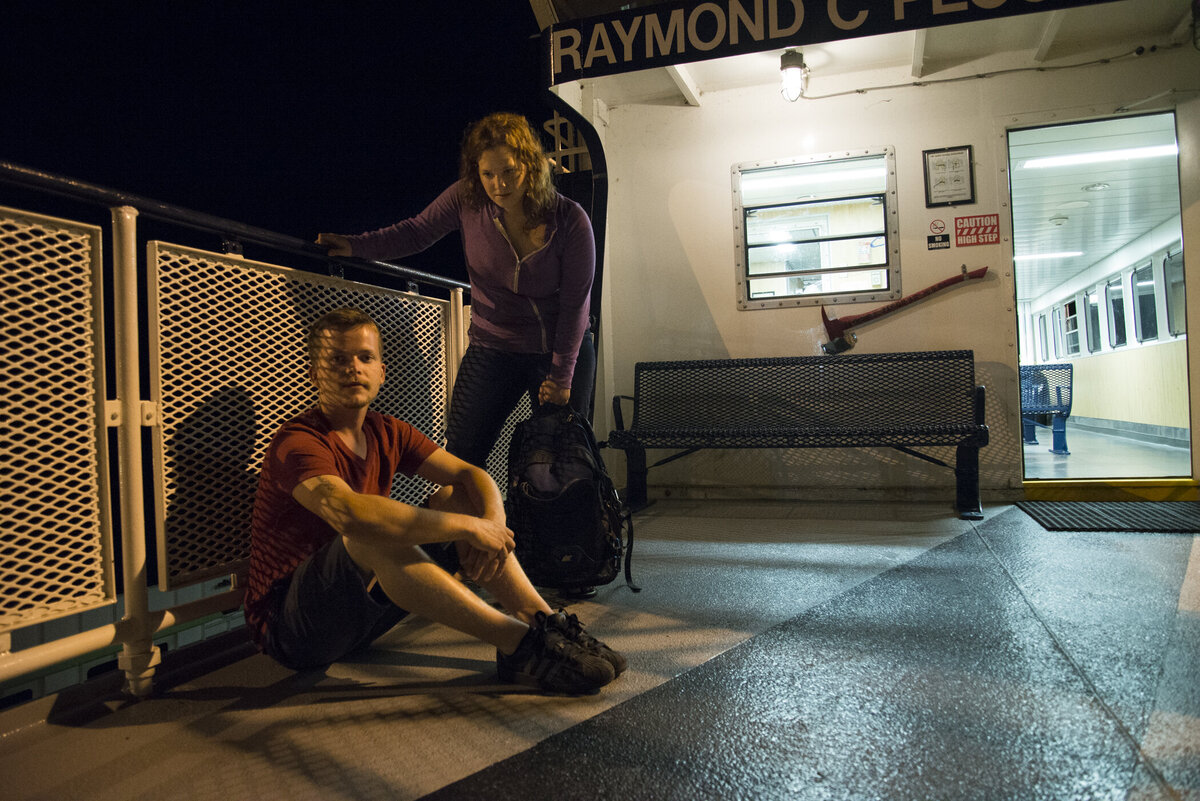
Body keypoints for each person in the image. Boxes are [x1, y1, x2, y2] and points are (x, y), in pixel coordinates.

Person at [243, 307, 625, 694]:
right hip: (293, 628)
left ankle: (544, 624)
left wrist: (490, 520)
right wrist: (469, 528)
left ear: (381, 372)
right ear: (315, 374)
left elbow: (470, 475)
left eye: (365, 357)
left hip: (363, 612)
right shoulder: (298, 442)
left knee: (455, 497)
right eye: (337, 360)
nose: (352, 368)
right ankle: (520, 644)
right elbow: (348, 513)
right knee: (371, 533)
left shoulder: (386, 430)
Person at [315, 112, 596, 473]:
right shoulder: (467, 199)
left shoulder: (569, 219)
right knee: (460, 456)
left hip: (559, 349)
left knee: (563, 461)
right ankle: (467, 530)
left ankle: (567, 530)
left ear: (530, 164)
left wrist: (561, 377)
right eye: (488, 173)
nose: (499, 184)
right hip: (493, 346)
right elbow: (415, 233)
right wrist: (354, 246)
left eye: (509, 171)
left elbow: (576, 305)